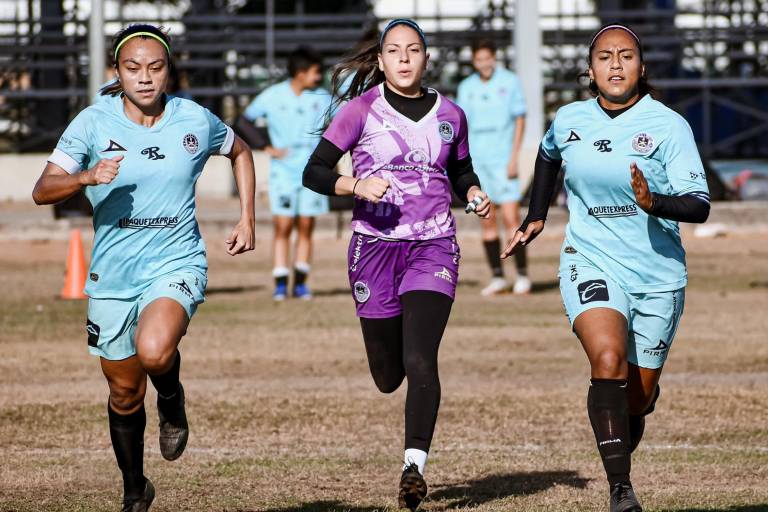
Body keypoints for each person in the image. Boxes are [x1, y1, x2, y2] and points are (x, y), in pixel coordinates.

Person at [32, 24, 256, 512]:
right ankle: (135, 489)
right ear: (117, 71)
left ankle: (171, 399)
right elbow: (42, 190)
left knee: (154, 352)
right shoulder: (92, 123)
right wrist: (86, 176)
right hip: (112, 275)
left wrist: (247, 218)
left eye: (156, 67)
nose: (145, 77)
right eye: (133, 68)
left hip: (176, 262)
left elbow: (240, 151)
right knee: (124, 392)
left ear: (169, 70)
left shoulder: (193, 118)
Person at [502, 24, 710, 512]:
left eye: (626, 55)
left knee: (636, 399)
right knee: (608, 359)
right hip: (590, 258)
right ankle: (622, 491)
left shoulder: (668, 125)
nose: (615, 64)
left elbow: (699, 205)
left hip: (657, 275)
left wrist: (654, 201)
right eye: (604, 57)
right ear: (590, 70)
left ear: (642, 66)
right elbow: (548, 155)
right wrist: (536, 215)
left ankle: (632, 409)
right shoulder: (570, 118)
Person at [303, 19, 490, 512]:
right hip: (374, 248)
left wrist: (472, 190)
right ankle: (396, 365)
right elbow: (314, 171)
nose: (404, 58)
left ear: (426, 58)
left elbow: (460, 169)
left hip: (434, 244)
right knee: (388, 375)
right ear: (381, 60)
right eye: (394, 50)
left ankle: (413, 467)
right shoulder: (359, 111)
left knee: (420, 358)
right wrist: (356, 185)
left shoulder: (452, 114)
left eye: (413, 50)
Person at [243, 47, 332, 300]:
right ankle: (280, 282)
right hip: (283, 172)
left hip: (313, 172)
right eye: (315, 71)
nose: (319, 76)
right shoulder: (272, 95)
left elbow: (345, 122)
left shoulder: (323, 97)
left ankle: (301, 283)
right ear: (301, 72)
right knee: (282, 226)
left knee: (306, 225)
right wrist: (266, 146)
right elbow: (244, 121)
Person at [457, 38, 531, 295]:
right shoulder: (466, 87)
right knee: (487, 219)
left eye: (487, 58)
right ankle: (498, 276)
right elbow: (461, 126)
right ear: (474, 61)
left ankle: (522, 274)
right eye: (479, 59)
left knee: (511, 217)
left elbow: (520, 120)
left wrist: (514, 157)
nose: (484, 64)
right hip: (479, 163)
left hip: (503, 159)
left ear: (494, 58)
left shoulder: (509, 82)